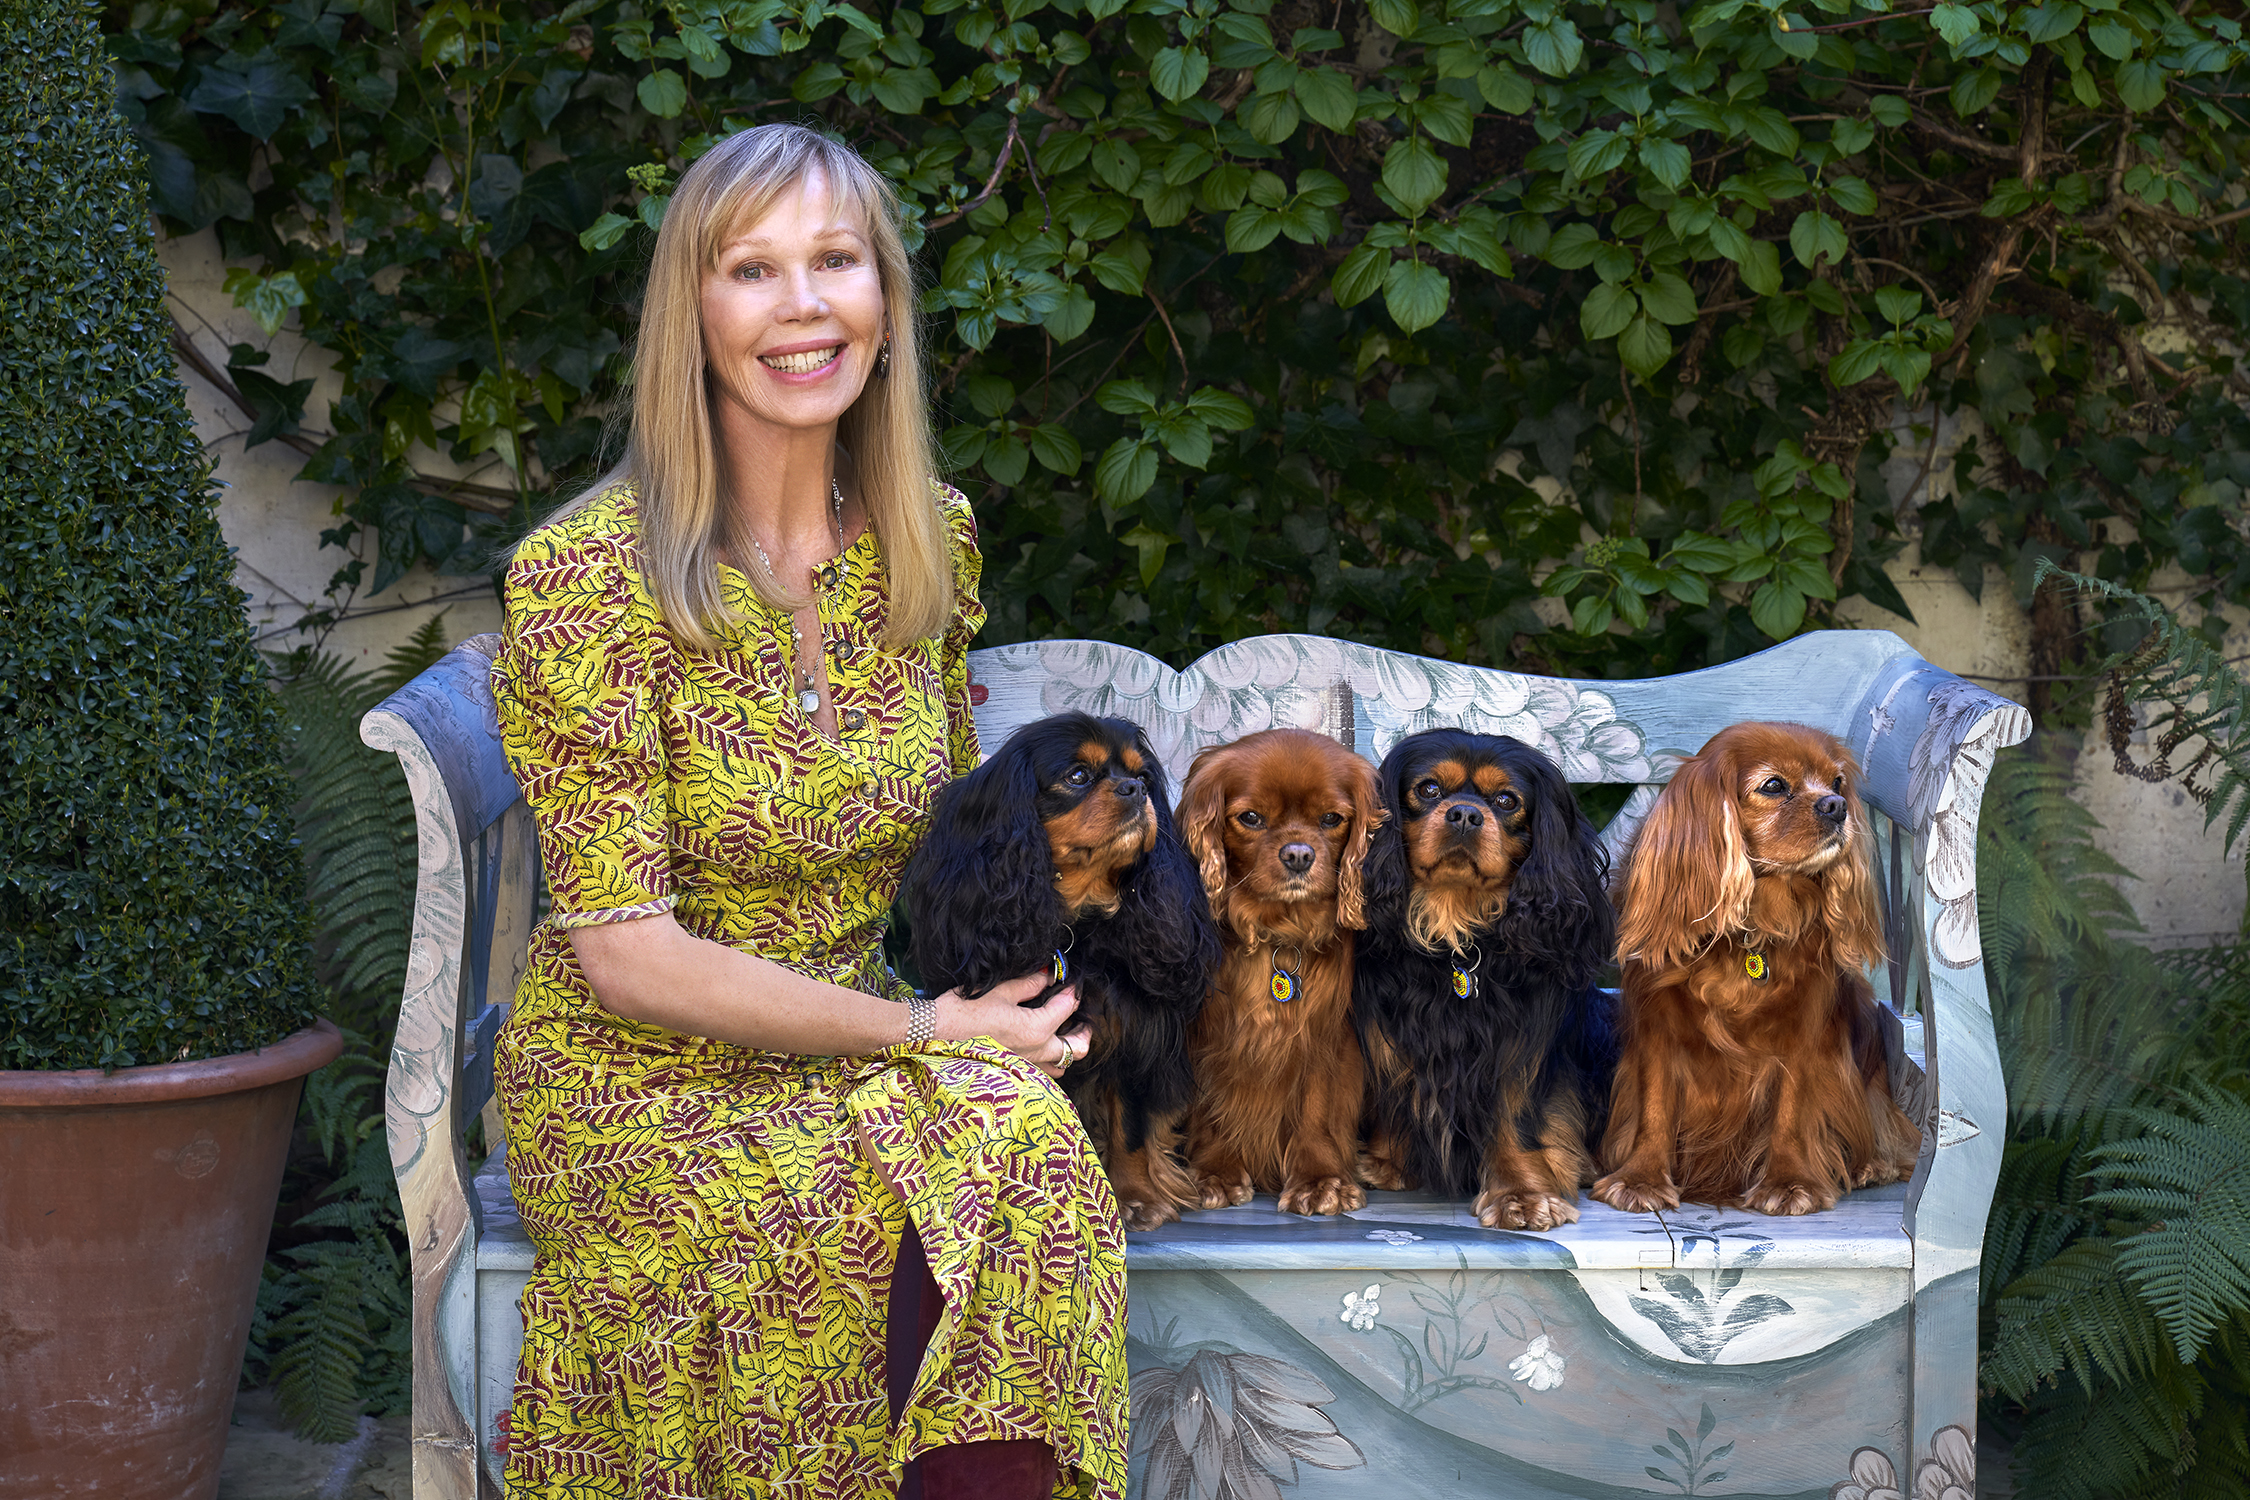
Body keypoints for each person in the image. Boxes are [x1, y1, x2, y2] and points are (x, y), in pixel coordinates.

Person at [488, 123, 1126, 1500]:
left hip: (864, 1043)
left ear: (883, 302)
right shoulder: (587, 578)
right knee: (1000, 1156)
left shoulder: (924, 536)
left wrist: (1030, 1011)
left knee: (1024, 1144)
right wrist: (926, 1032)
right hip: (635, 1088)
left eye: (834, 261)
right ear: (692, 315)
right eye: (752, 269)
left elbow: (956, 850)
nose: (801, 306)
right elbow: (624, 953)